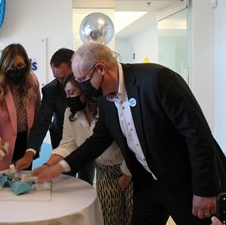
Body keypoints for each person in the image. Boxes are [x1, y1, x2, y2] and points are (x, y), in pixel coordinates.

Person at [34, 42, 226, 225]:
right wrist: (60, 167)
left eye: (83, 80)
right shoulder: (104, 99)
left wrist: (205, 191)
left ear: (101, 69)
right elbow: (97, 141)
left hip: (185, 183)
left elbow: (198, 135)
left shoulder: (157, 80)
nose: (82, 87)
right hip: (149, 185)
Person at [32, 72, 133, 224]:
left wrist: (127, 173)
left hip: (129, 166)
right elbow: (67, 144)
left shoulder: (106, 108)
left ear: (85, 91)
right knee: (108, 217)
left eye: (72, 93)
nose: (68, 98)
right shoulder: (70, 113)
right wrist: (48, 165)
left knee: (132, 215)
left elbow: (128, 142)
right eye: (66, 94)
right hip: (104, 170)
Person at [0, 43, 41, 171]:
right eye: (11, 67)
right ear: (4, 67)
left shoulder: (33, 82)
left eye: (20, 66)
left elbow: (37, 116)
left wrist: (32, 148)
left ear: (27, 64)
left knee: (23, 186)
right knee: (0, 187)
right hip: (2, 145)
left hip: (25, 143)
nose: (16, 70)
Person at [16, 48, 74, 171]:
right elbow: (42, 121)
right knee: (65, 177)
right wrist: (30, 152)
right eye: (56, 78)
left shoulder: (91, 87)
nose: (61, 83)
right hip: (61, 138)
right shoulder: (50, 90)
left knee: (86, 177)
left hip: (88, 138)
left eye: (64, 78)